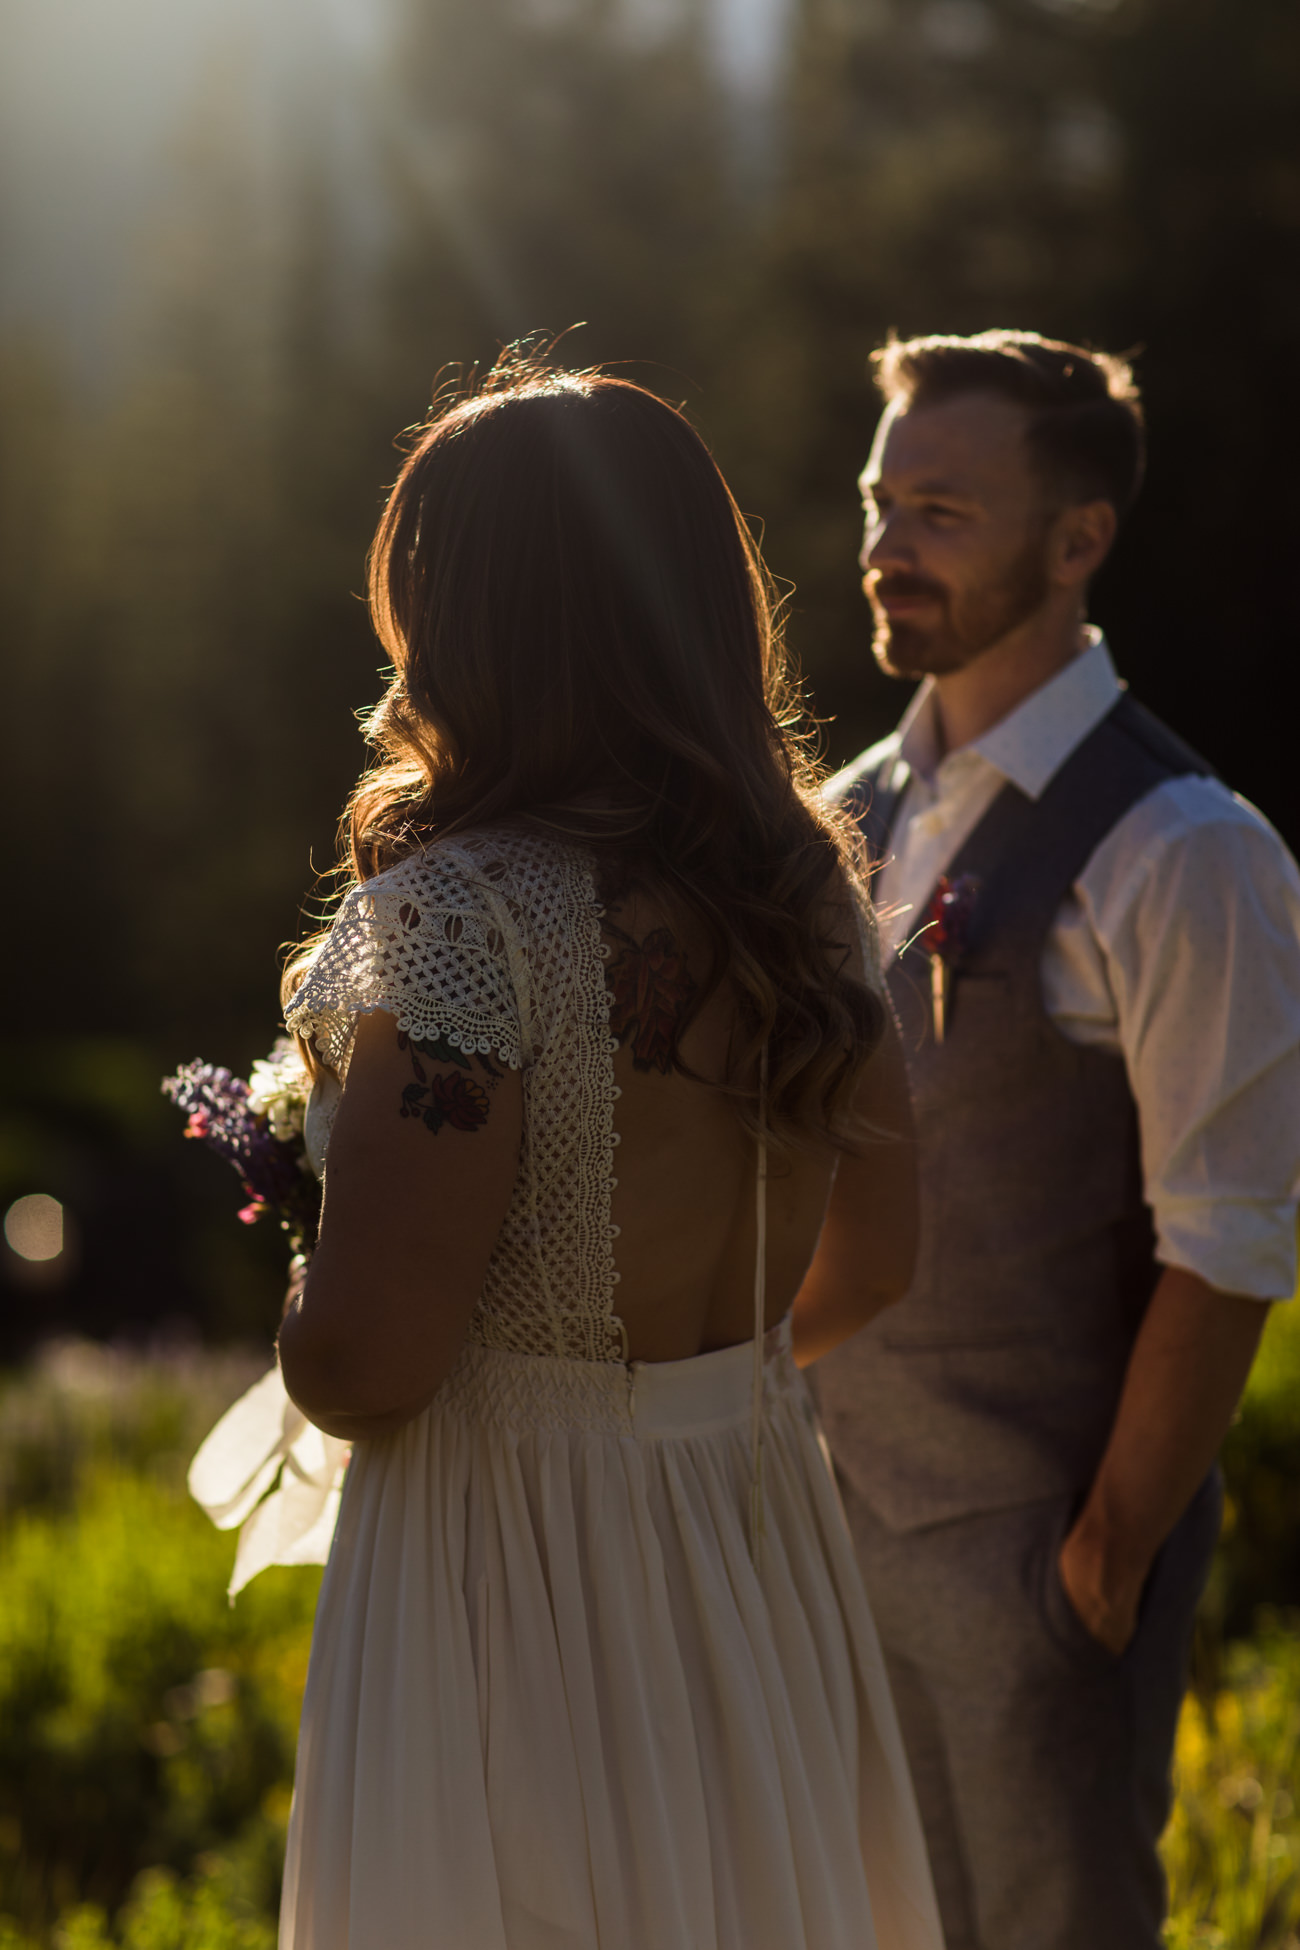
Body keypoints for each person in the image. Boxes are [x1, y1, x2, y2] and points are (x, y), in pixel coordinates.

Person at [261, 349, 944, 1950]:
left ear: (471, 617)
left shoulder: (456, 917)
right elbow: (881, 1257)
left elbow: (371, 1358)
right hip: (748, 1532)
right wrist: (695, 1393)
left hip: (517, 1572)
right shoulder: (808, 894)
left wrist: (304, 1268)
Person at [816, 329, 1300, 1950]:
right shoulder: (852, 808)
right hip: (833, 1536)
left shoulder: (1186, 849)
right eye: (881, 501)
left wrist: (1099, 1567)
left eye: (942, 511)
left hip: (1039, 1568)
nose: (887, 547)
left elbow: (1229, 1243)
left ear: (1079, 538)